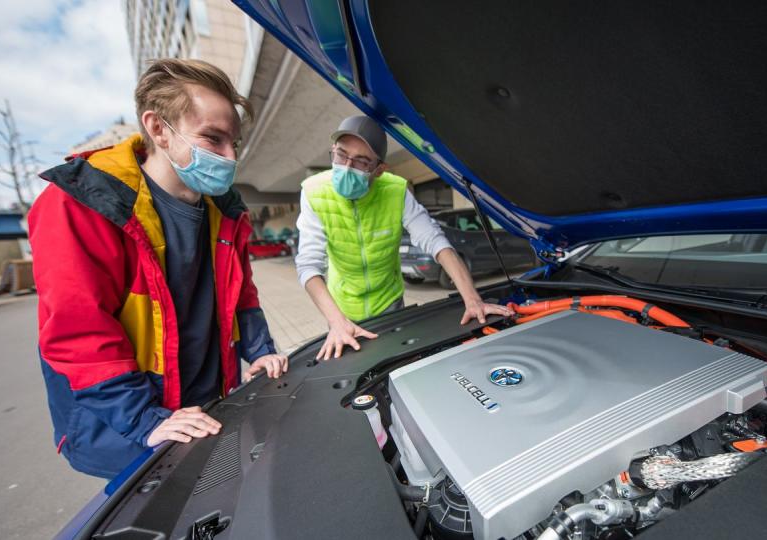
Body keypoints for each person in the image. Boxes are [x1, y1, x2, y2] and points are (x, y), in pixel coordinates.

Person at [29, 59, 288, 478]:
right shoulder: (81, 203)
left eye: (233, 143)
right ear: (159, 128)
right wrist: (147, 420)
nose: (230, 156)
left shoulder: (225, 212)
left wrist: (259, 352)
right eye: (213, 138)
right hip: (130, 426)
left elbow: (241, 295)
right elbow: (79, 333)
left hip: (204, 407)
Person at [295, 115, 514, 360]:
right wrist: (336, 322)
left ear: (379, 170)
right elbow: (308, 264)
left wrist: (473, 300)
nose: (346, 167)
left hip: (390, 306)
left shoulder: (396, 191)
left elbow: (435, 241)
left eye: (361, 162)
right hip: (342, 311)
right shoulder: (314, 192)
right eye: (341, 155)